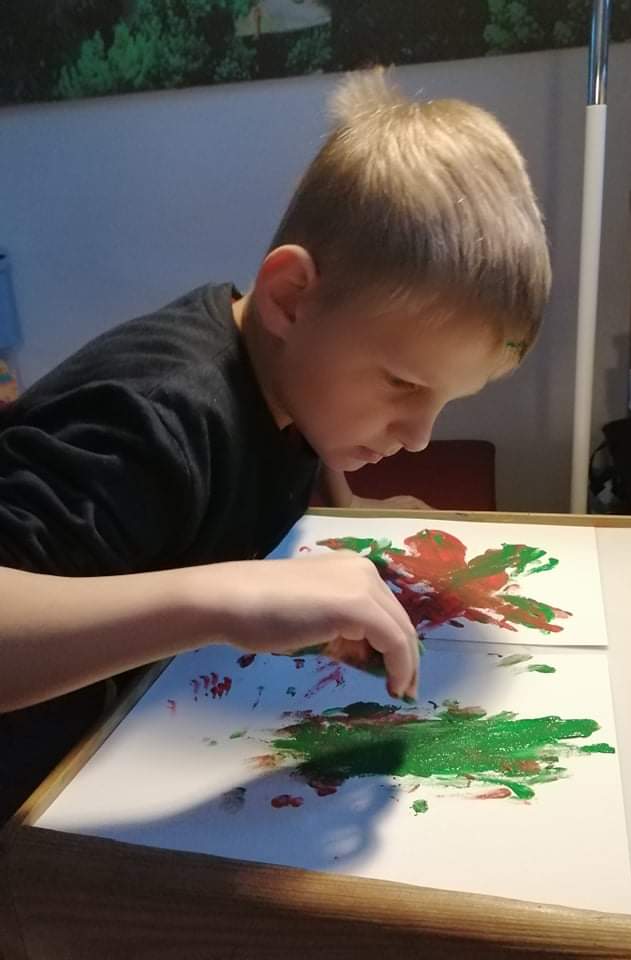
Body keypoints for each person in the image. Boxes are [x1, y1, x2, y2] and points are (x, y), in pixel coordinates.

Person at [0, 68, 550, 818]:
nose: (421, 436)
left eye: (446, 401)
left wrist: (353, 505)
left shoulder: (290, 379)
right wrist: (226, 598)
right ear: (291, 298)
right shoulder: (153, 418)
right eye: (401, 384)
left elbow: (280, 456)